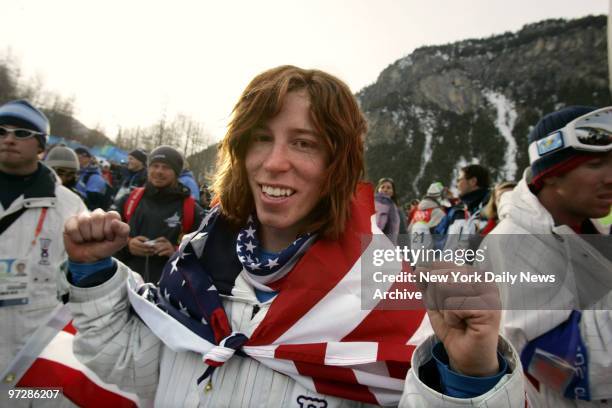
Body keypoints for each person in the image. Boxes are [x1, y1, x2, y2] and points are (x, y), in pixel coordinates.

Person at [61, 66, 523, 407]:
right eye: (260, 138)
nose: (274, 162)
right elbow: (140, 374)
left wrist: (470, 377)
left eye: (303, 143)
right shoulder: (196, 263)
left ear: (337, 164)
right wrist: (91, 273)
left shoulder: (387, 290)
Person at [482, 106, 612, 406]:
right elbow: (558, 364)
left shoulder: (591, 227)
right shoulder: (513, 241)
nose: (610, 177)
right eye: (595, 164)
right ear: (551, 176)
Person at [0, 100, 86, 405]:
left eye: (21, 132)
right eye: (1, 131)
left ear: (41, 145)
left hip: (36, 346)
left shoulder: (69, 205)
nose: (8, 139)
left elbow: (85, 276)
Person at [113, 145, 205, 284]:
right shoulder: (129, 199)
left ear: (176, 172)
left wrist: (175, 252)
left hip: (168, 291)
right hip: (125, 284)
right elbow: (107, 238)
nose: (159, 171)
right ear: (148, 168)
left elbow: (203, 253)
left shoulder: (193, 210)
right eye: (155, 166)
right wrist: (128, 245)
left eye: (166, 167)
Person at [435, 164, 491, 250]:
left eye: (459, 180)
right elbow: (438, 240)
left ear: (473, 181)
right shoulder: (457, 211)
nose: (457, 185)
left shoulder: (492, 211)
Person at [74, 146, 110, 210]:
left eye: (79, 157)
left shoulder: (95, 177)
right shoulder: (77, 171)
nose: (76, 159)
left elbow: (91, 201)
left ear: (88, 158)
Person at [374, 177, 403, 244]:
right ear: (378, 189)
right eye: (382, 187)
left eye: (388, 188)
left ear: (393, 192)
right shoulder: (375, 203)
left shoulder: (395, 207)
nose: (385, 190)